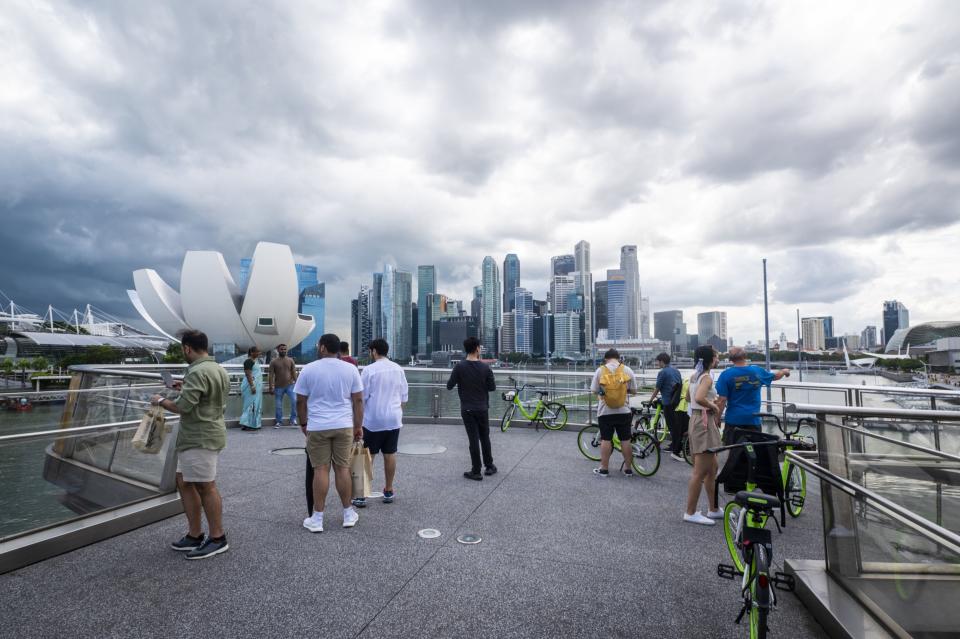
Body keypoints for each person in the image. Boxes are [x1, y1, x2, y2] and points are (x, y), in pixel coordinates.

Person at [150, 329, 231, 559]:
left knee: (206, 486)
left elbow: (183, 408)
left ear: (187, 348)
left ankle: (217, 538)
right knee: (184, 481)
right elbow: (205, 398)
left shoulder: (197, 372)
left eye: (182, 349)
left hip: (199, 436)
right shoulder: (217, 369)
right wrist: (183, 389)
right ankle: (194, 534)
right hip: (205, 433)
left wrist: (161, 400)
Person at [295, 333, 363, 532]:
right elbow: (358, 400)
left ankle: (317, 519)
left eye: (318, 345)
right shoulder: (350, 369)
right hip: (343, 425)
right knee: (342, 468)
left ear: (323, 348)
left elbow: (300, 401)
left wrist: (303, 423)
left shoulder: (309, 369)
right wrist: (358, 425)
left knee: (320, 470)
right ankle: (348, 513)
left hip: (317, 426)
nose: (318, 348)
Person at [352, 338, 408, 508]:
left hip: (373, 419)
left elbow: (362, 398)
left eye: (370, 351)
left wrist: (357, 421)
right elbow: (404, 397)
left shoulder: (369, 370)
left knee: (368, 455)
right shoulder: (398, 369)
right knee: (390, 453)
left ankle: (361, 495)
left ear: (374, 351)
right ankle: (389, 490)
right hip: (393, 418)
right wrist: (396, 411)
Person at [716, 347, 791, 445]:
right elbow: (775, 376)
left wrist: (717, 418)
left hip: (733, 420)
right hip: (753, 420)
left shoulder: (725, 375)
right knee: (754, 452)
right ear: (745, 357)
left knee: (732, 452)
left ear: (731, 359)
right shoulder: (756, 371)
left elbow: (722, 400)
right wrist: (785, 371)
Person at [446, 336, 496, 480]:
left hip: (467, 409)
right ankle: (489, 466)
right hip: (482, 408)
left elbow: (449, 386)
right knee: (484, 437)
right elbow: (492, 388)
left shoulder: (459, 367)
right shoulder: (485, 368)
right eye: (480, 347)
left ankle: (476, 471)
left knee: (473, 440)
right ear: (477, 349)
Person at [684, 345, 722, 525]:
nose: (718, 359)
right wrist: (714, 406)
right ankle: (690, 512)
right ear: (710, 359)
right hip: (704, 423)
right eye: (716, 357)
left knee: (712, 469)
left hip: (697, 420)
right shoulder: (706, 377)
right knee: (700, 472)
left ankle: (713, 509)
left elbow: (688, 398)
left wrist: (704, 402)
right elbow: (698, 398)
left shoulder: (694, 376)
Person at [590, 348, 637, 477]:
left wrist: (604, 392)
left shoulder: (600, 370)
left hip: (605, 411)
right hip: (624, 410)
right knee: (625, 440)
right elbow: (634, 391)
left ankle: (604, 469)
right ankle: (628, 469)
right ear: (618, 358)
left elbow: (594, 390)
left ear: (606, 359)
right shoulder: (627, 370)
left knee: (606, 439)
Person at [649, 352, 683, 461]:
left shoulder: (662, 372)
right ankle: (674, 445)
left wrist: (650, 400)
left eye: (658, 361)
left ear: (662, 361)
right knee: (675, 426)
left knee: (672, 426)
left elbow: (657, 388)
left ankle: (675, 448)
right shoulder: (676, 371)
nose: (657, 363)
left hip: (668, 402)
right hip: (677, 402)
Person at [268, 343, 298, 428]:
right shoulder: (273, 361)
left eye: (285, 349)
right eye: (282, 349)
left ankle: (293, 420)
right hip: (278, 386)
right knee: (278, 405)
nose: (283, 351)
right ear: (278, 350)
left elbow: (293, 372)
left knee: (294, 401)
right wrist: (271, 387)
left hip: (290, 385)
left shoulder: (290, 360)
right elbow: (271, 375)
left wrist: (298, 384)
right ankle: (279, 422)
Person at [239, 346, 262, 431]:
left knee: (254, 404)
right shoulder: (248, 361)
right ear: (252, 353)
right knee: (250, 405)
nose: (259, 353)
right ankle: (248, 424)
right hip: (250, 386)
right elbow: (248, 374)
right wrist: (252, 386)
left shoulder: (255, 361)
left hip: (256, 386)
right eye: (257, 352)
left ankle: (251, 424)